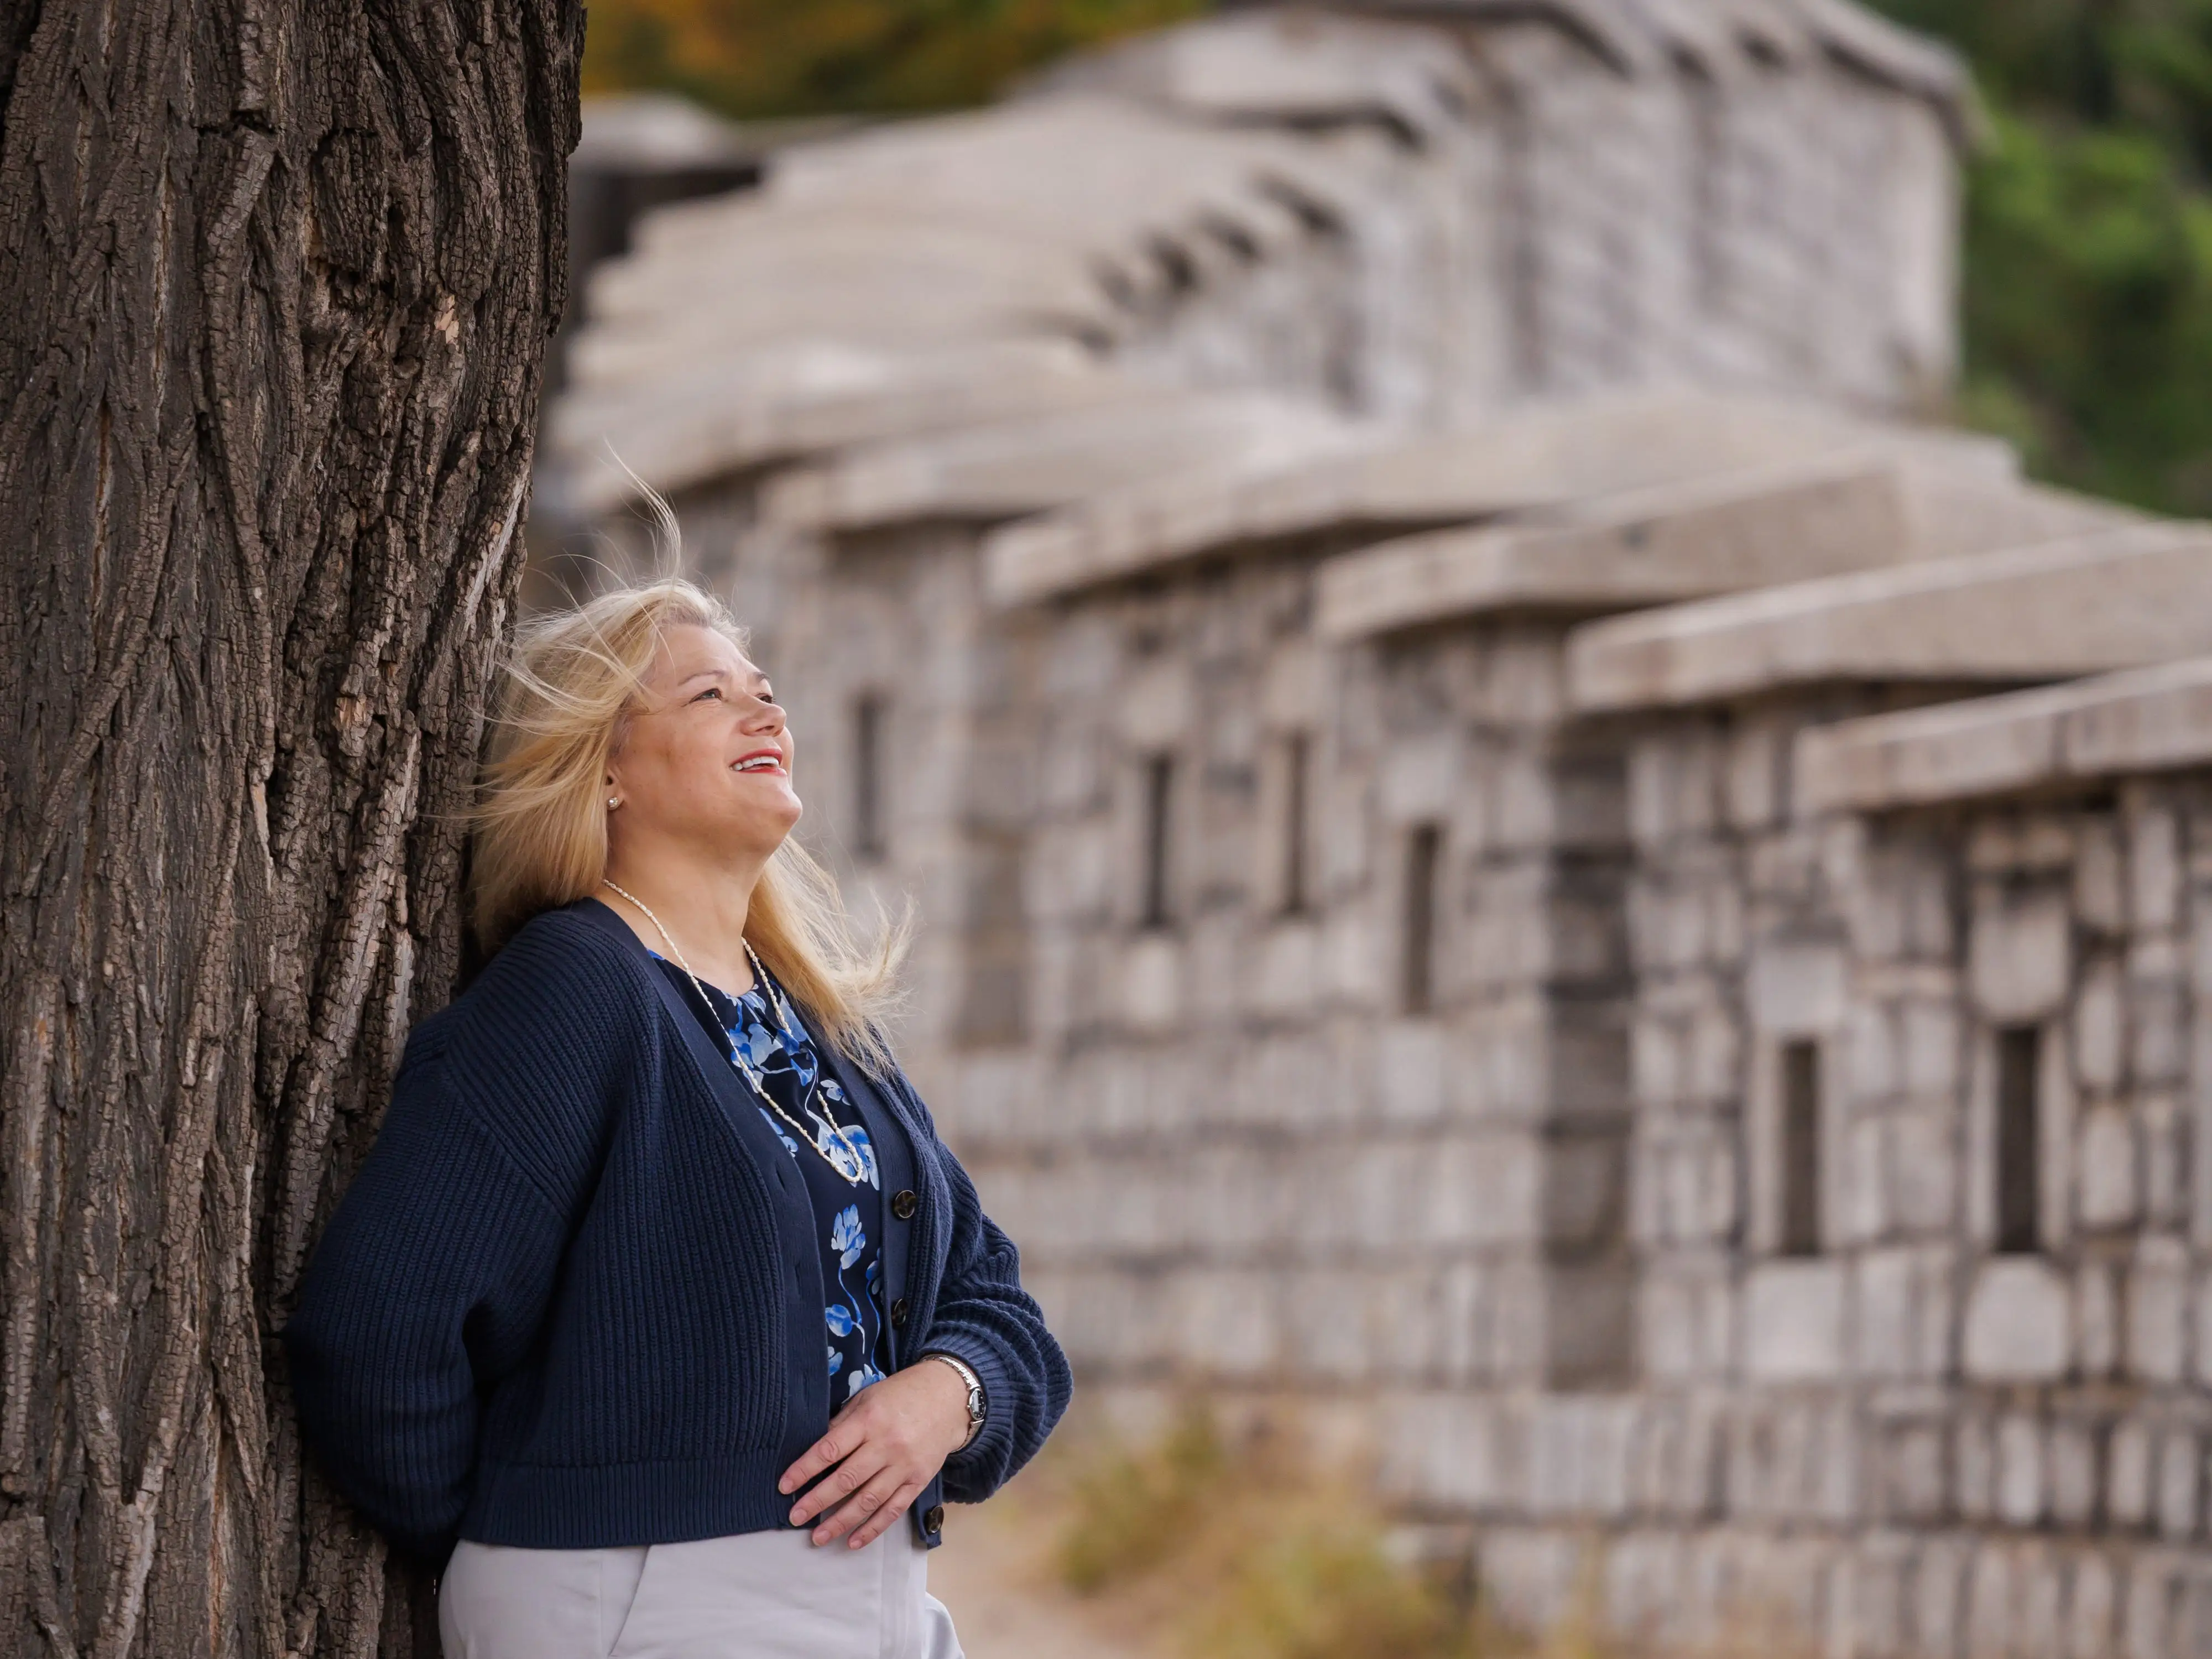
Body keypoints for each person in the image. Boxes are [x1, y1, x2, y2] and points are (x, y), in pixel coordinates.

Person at [282, 569, 1072, 1658]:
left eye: (765, 689)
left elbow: (1001, 1310)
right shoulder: (575, 987)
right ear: (601, 766)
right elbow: (375, 1332)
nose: (767, 711)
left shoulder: (818, 1024)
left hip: (876, 1602)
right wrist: (545, 1513)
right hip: (648, 1603)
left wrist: (952, 1393)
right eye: (709, 697)